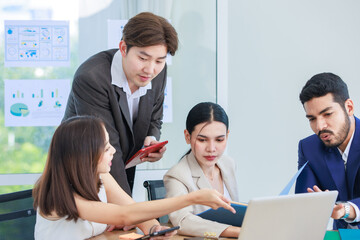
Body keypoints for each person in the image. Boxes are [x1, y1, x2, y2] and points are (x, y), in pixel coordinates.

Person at [32, 116, 235, 240]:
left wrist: (153, 228)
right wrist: (192, 198)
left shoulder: (101, 177)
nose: (113, 150)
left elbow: (135, 210)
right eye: (105, 147)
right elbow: (125, 215)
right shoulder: (56, 195)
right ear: (85, 155)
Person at [62, 12, 178, 195]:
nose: (150, 69)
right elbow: (106, 146)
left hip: (119, 173)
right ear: (123, 48)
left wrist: (151, 139)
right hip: (80, 178)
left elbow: (155, 117)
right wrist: (131, 213)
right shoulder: (92, 78)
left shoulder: (157, 73)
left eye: (159, 61)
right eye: (143, 58)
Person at [163, 102, 241, 238]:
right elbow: (182, 221)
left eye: (219, 140)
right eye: (202, 140)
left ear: (227, 136)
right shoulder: (177, 175)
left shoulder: (228, 164)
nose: (211, 148)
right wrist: (236, 231)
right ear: (188, 137)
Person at [295, 72, 360, 229]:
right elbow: (304, 205)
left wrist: (347, 209)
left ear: (349, 107)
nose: (319, 127)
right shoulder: (308, 148)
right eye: (312, 119)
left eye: (327, 114)